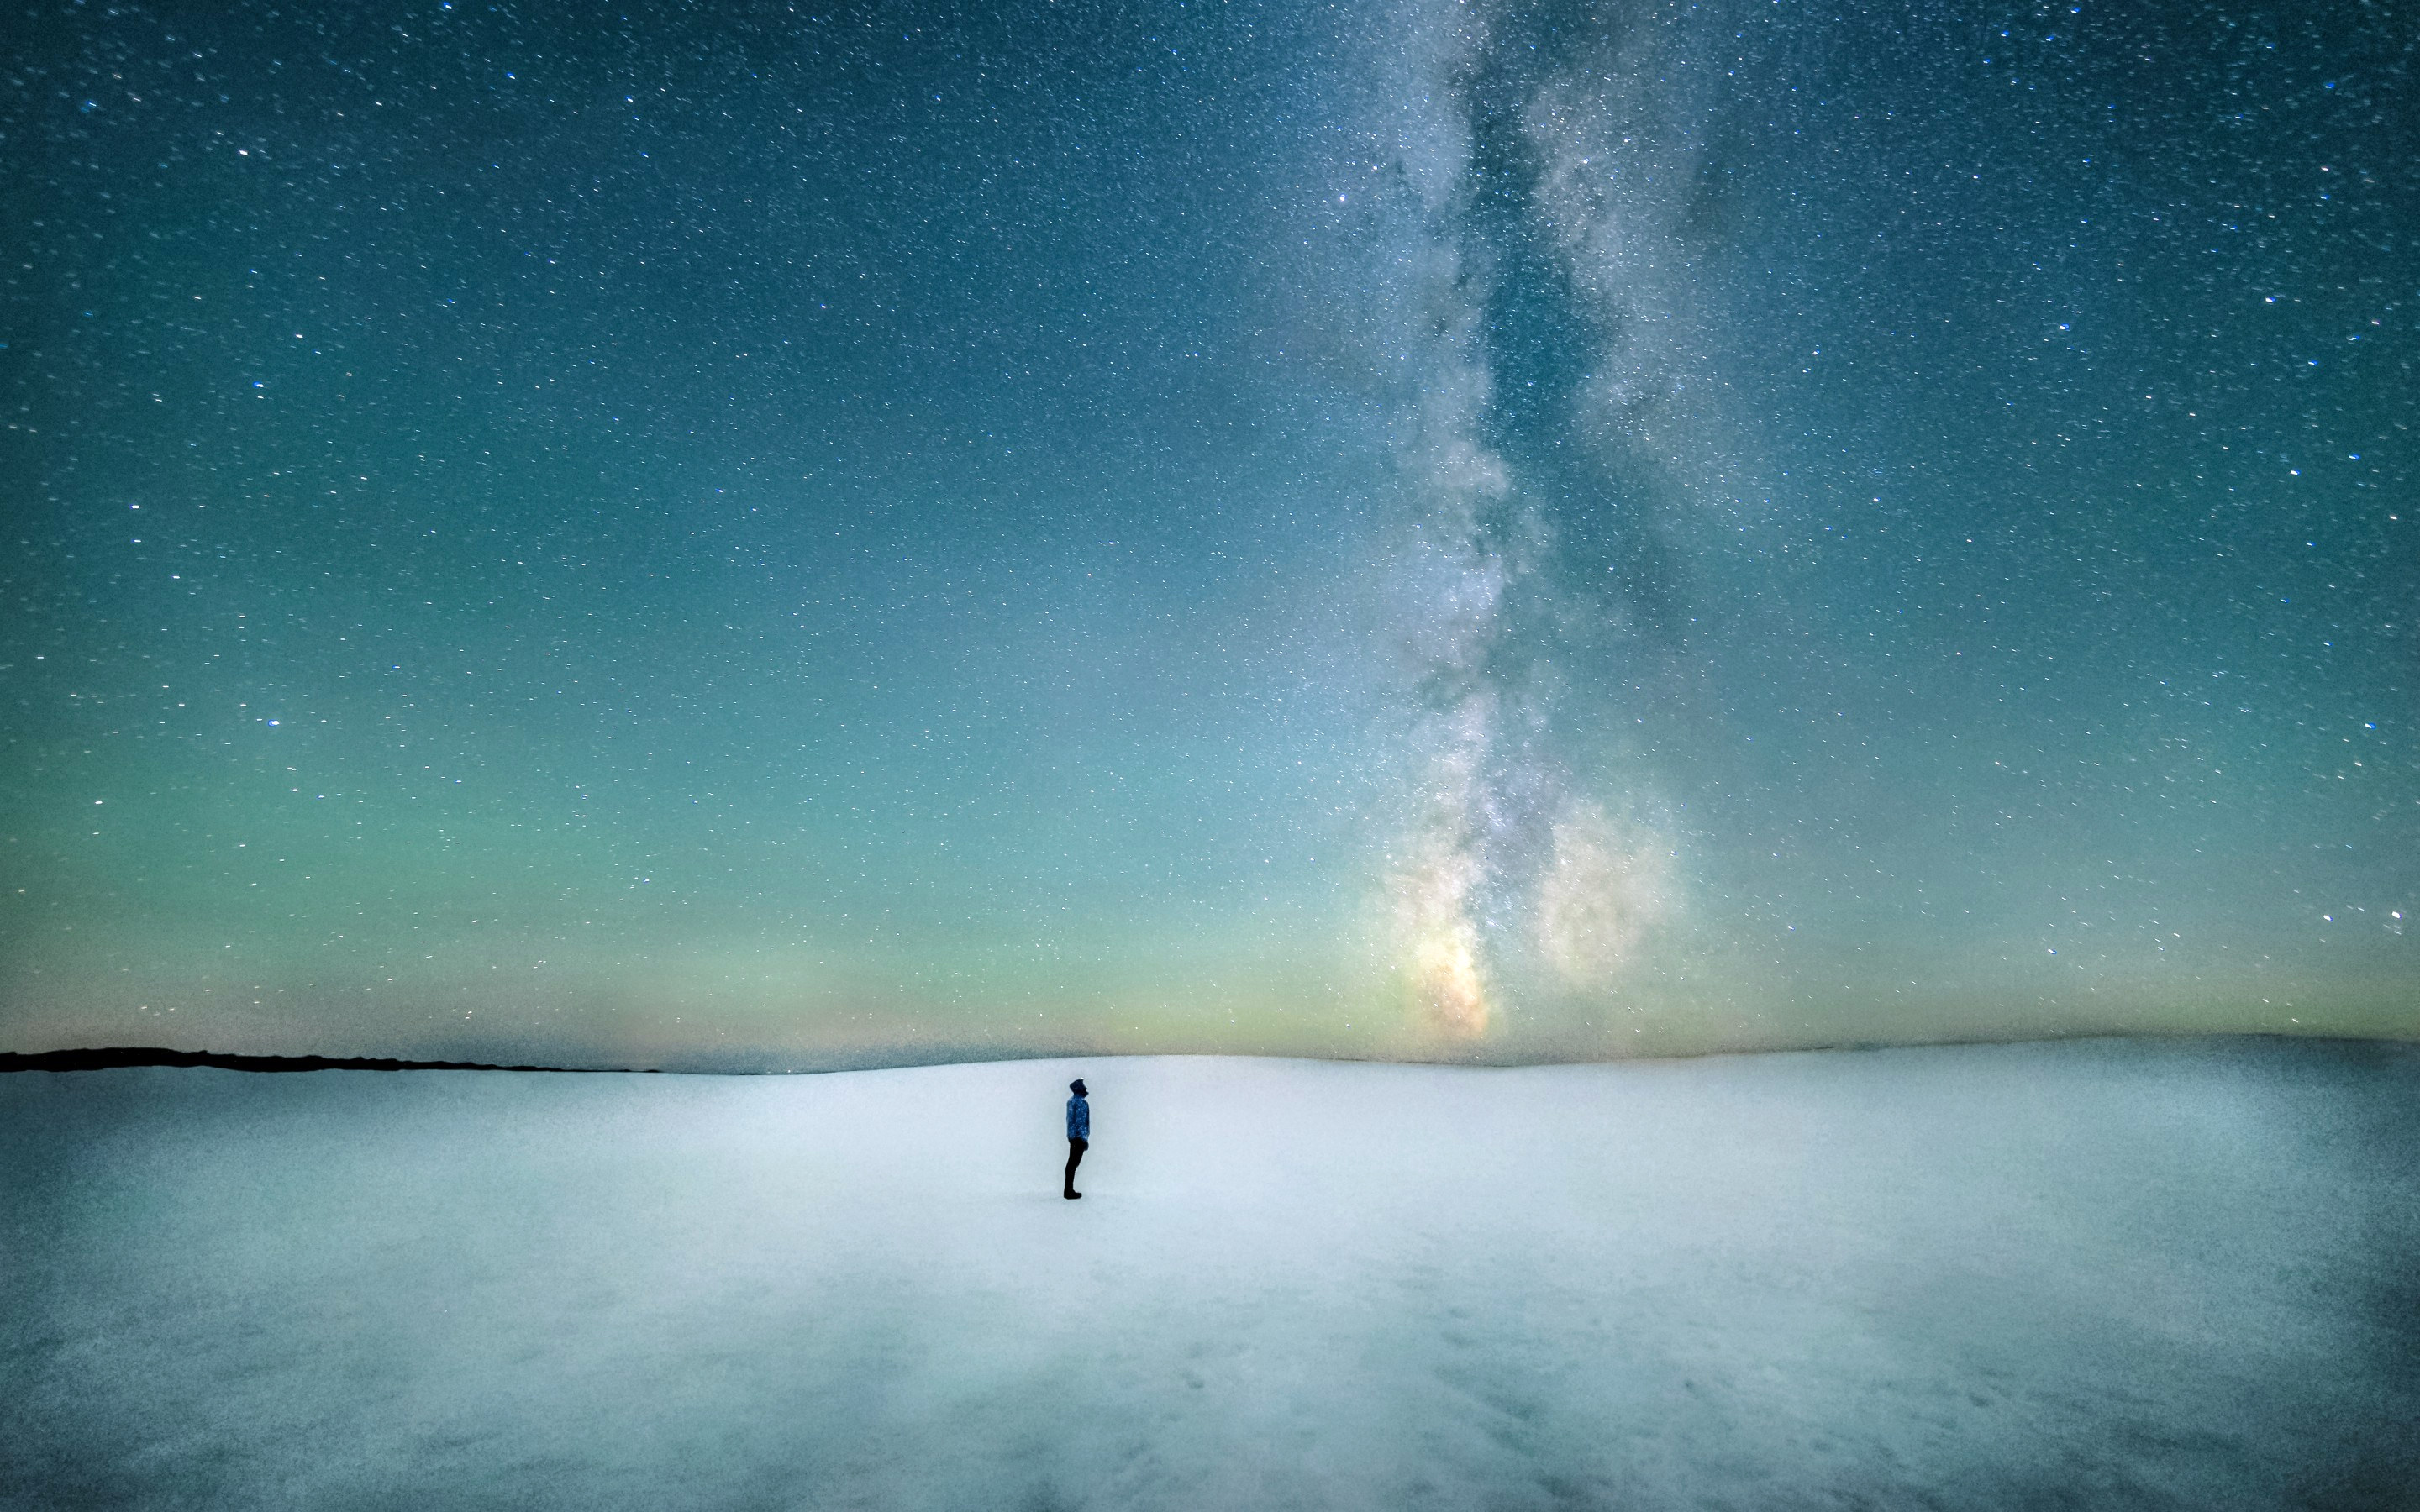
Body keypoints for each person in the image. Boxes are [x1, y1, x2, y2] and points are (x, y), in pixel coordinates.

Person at [1063, 1079, 1089, 1200]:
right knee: (1073, 1164)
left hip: (1072, 1136)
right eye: (1083, 1087)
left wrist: (1072, 1136)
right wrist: (1083, 1139)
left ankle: (1068, 1190)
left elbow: (1070, 1120)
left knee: (1071, 1164)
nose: (1086, 1089)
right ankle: (1069, 1191)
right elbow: (1081, 1122)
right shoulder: (1081, 1103)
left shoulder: (1071, 1101)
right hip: (1078, 1138)